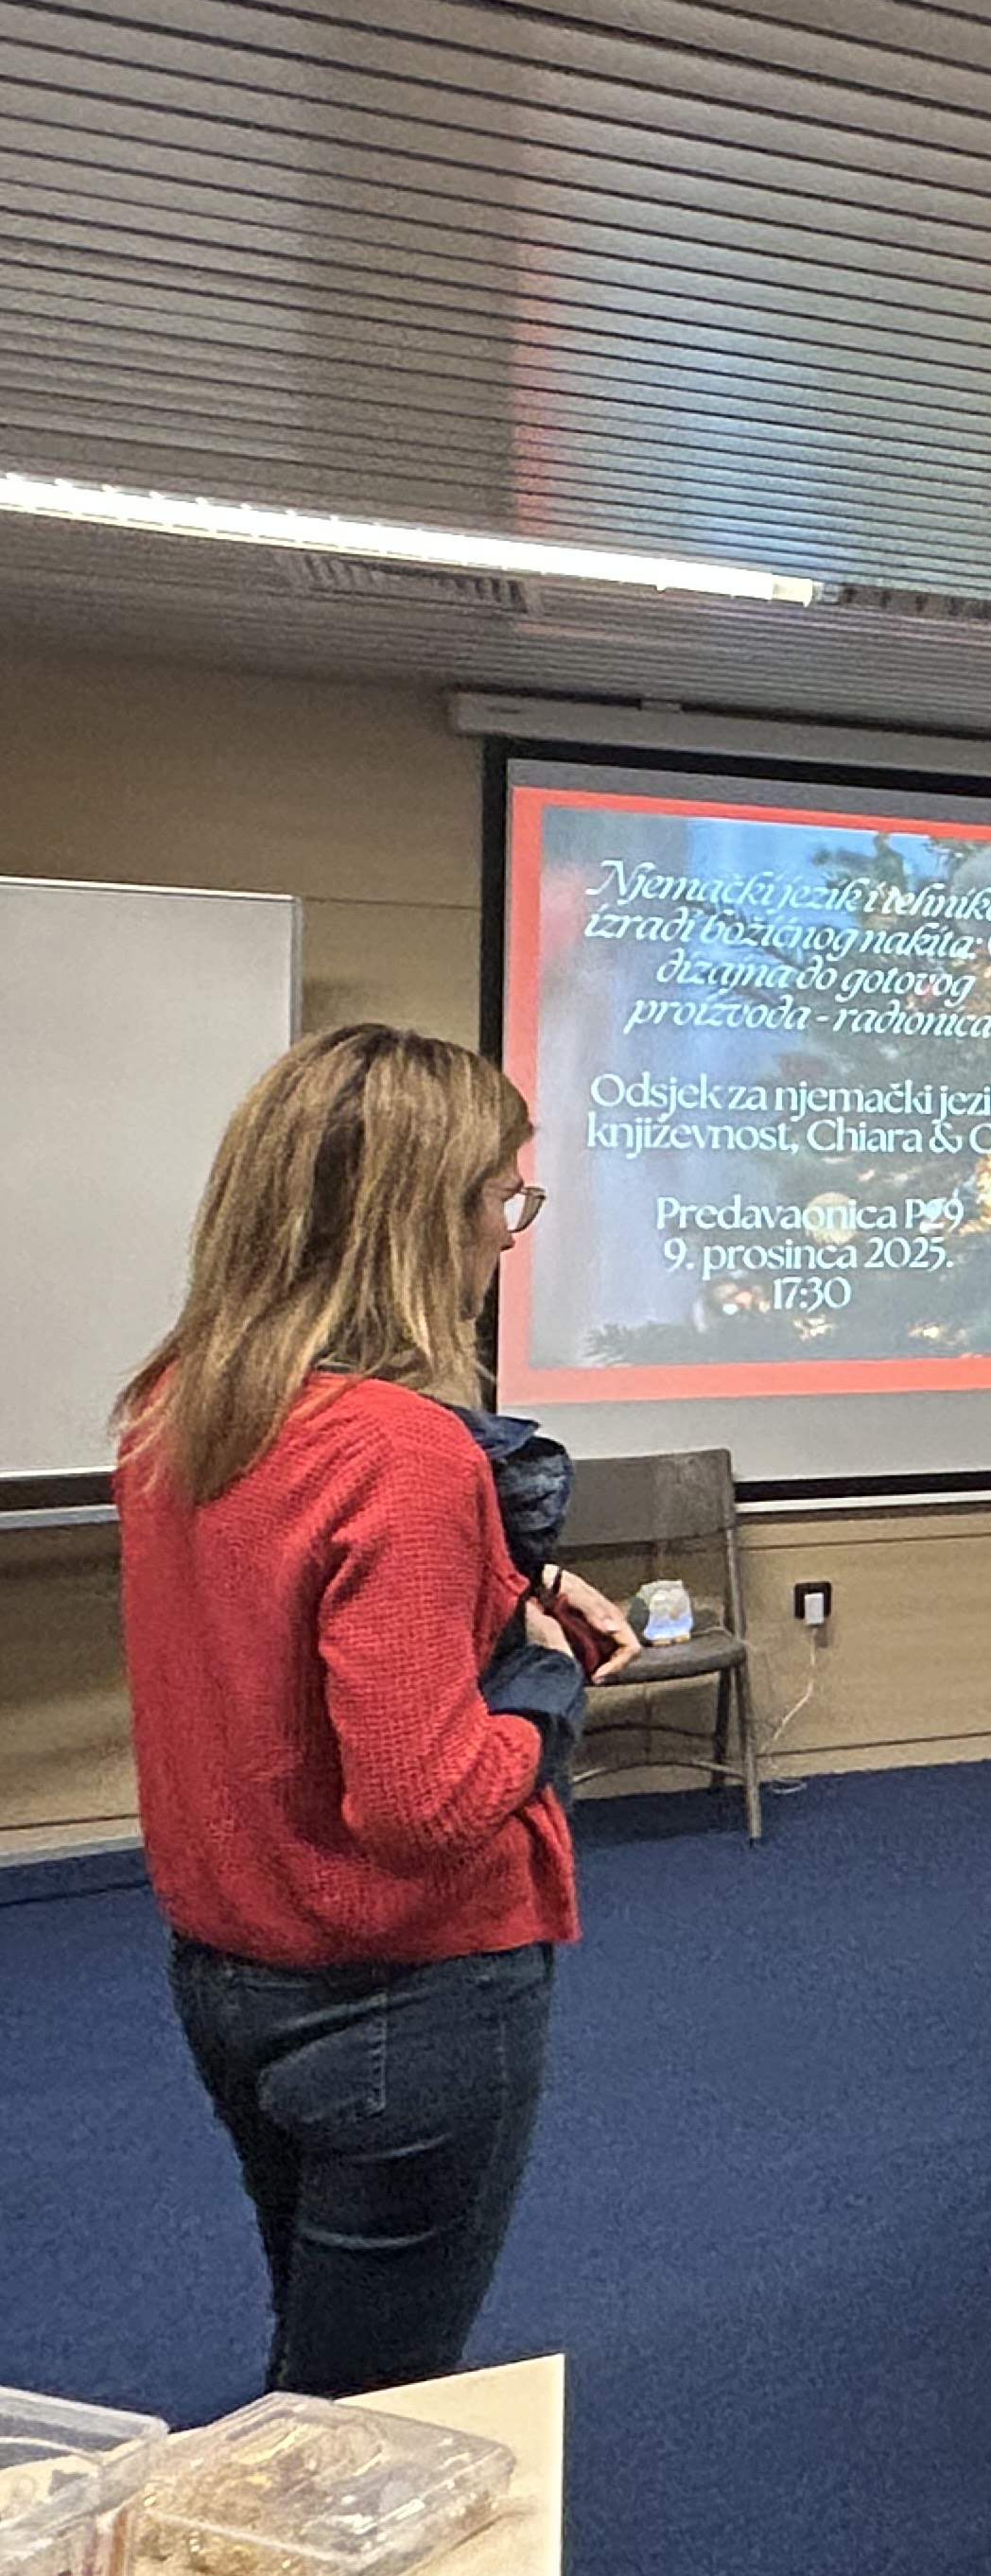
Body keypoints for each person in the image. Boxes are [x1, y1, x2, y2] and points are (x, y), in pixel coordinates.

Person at [114, 1024, 641, 2396]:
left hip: (231, 1973)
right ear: (418, 1218)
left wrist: (504, 1588)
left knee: (316, 2349)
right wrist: (548, 1681)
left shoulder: (180, 1407)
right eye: (503, 1200)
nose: (509, 1238)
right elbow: (425, 1805)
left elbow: (271, 1618)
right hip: (405, 1997)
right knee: (362, 2422)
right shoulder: (402, 1451)